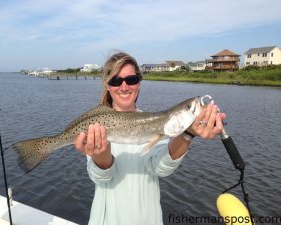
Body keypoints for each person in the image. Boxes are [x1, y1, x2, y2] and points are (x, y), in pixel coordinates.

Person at [75, 52, 226, 225]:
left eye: (131, 80)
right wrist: (101, 158)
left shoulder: (155, 122)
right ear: (107, 85)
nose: (124, 87)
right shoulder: (97, 125)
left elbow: (160, 169)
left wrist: (188, 134)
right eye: (116, 81)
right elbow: (100, 178)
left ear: (139, 82)